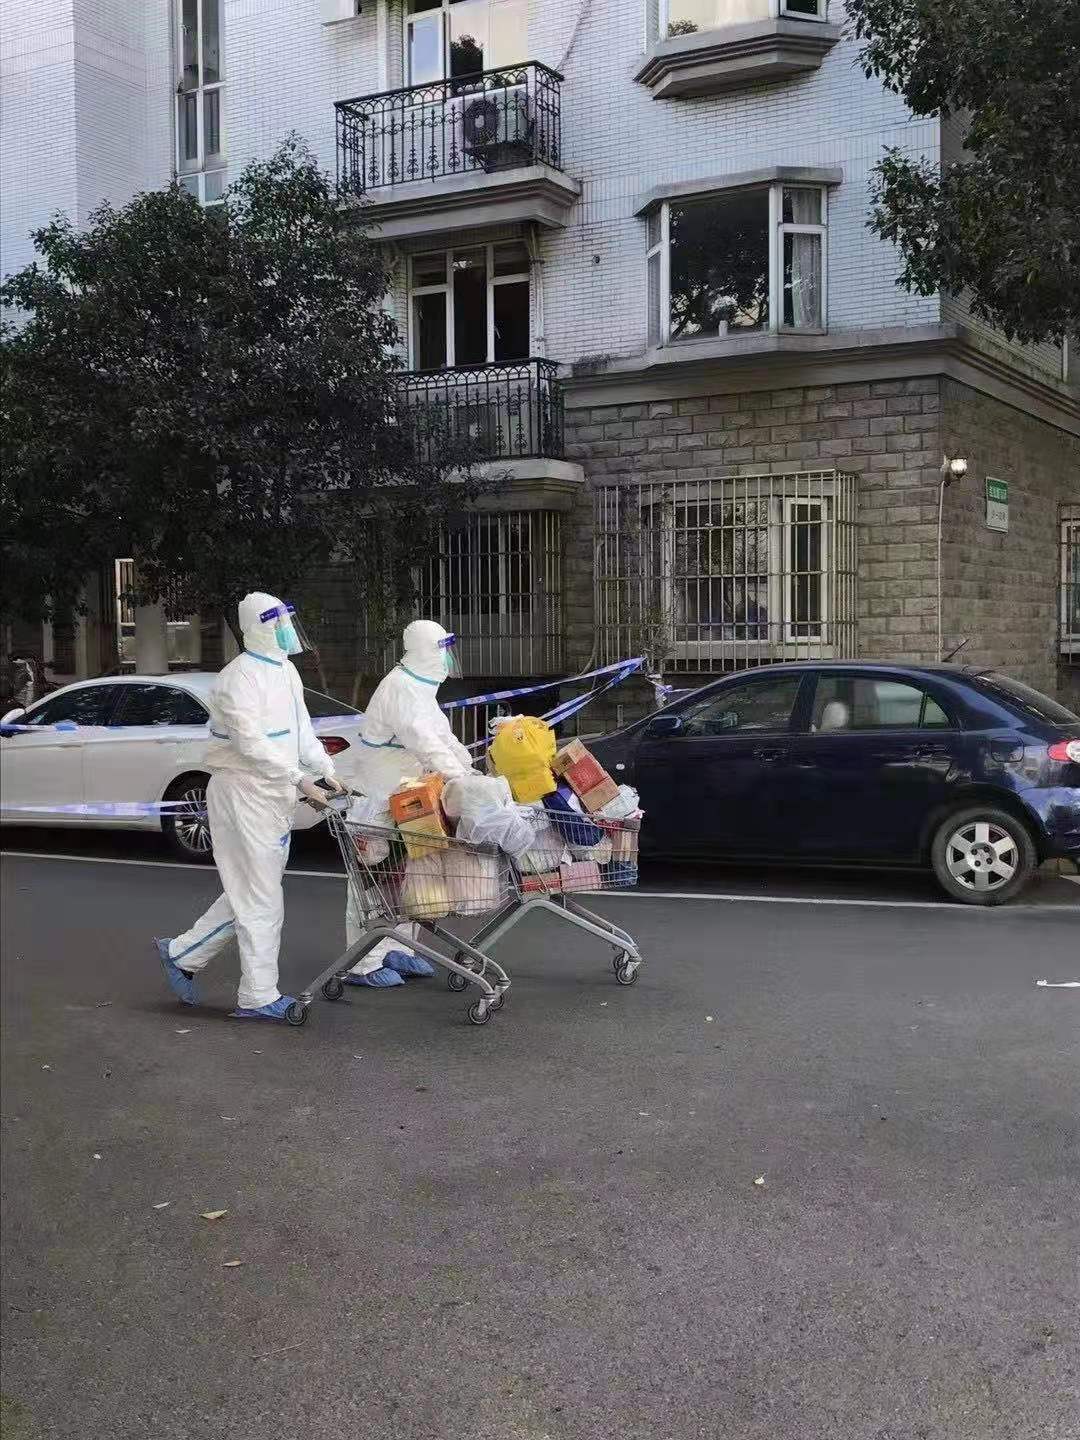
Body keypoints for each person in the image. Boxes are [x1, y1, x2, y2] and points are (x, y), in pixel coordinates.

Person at [154, 592, 345, 1020]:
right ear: (258, 626)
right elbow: (251, 743)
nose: (286, 630)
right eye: (277, 622)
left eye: (287, 621)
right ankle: (258, 995)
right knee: (262, 897)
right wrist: (299, 778)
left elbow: (301, 731)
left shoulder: (286, 670)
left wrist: (325, 768)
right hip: (242, 792)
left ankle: (183, 953)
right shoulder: (238, 678)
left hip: (272, 793)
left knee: (252, 891)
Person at [345, 619, 475, 987]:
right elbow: (424, 742)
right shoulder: (401, 687)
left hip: (406, 794)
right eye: (441, 650)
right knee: (374, 878)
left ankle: (396, 947)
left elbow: (443, 738)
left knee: (407, 874)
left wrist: (469, 769)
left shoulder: (419, 688)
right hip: (378, 795)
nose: (447, 659)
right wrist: (461, 778)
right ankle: (362, 962)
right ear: (425, 651)